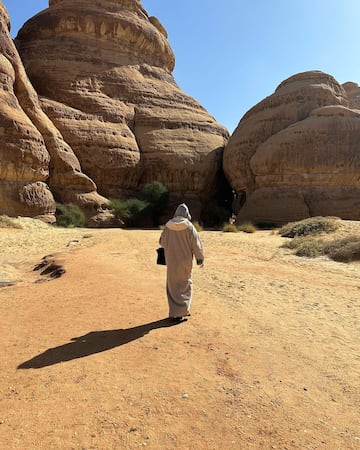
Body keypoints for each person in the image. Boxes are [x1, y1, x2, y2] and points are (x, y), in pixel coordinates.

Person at [159, 203, 204, 322]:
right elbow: (196, 244)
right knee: (185, 284)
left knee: (173, 285)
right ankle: (183, 310)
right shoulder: (189, 227)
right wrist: (200, 258)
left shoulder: (168, 226)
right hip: (185, 261)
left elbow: (162, 242)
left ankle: (175, 312)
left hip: (172, 260)